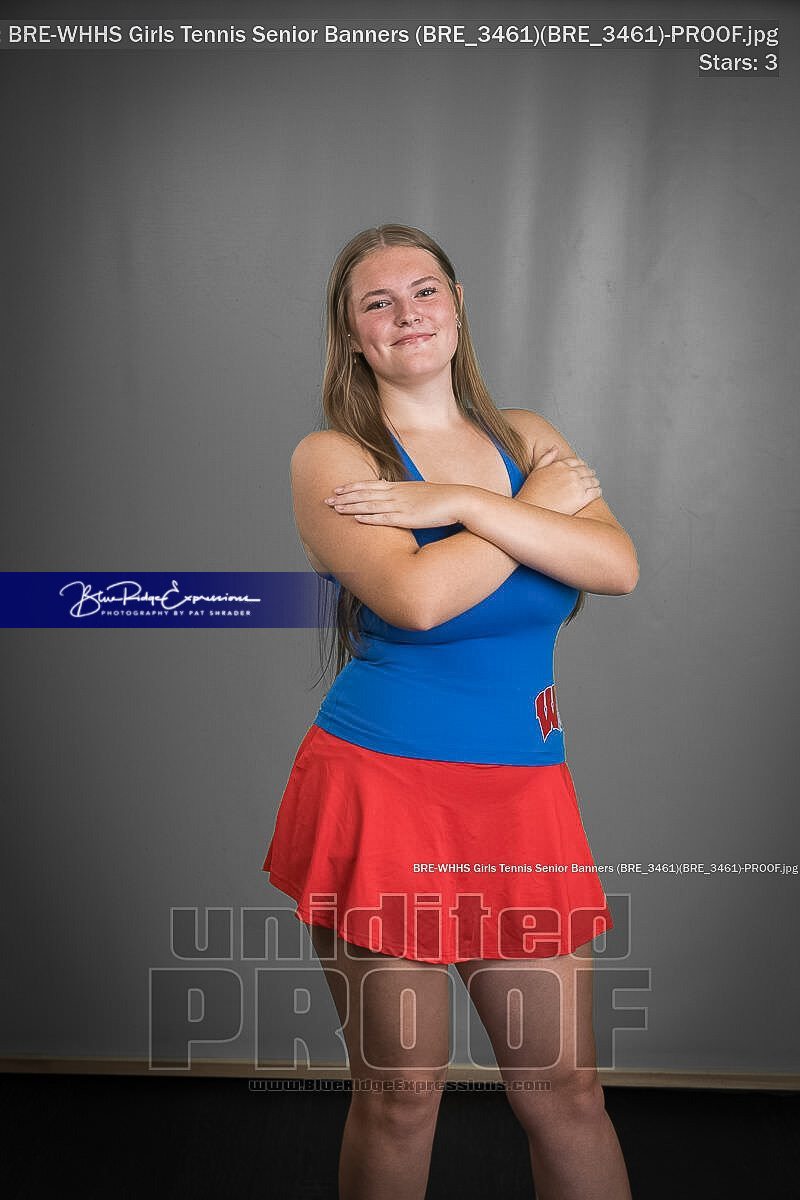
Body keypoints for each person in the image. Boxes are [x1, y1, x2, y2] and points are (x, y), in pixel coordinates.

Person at [262, 224, 637, 1199]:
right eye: (377, 302)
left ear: (458, 305)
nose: (406, 314)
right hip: (384, 791)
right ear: (351, 333)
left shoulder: (527, 437)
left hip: (522, 799)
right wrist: (527, 508)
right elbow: (417, 599)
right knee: (401, 1096)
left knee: (566, 1093)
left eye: (423, 291)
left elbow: (615, 565)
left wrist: (466, 507)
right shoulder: (333, 457)